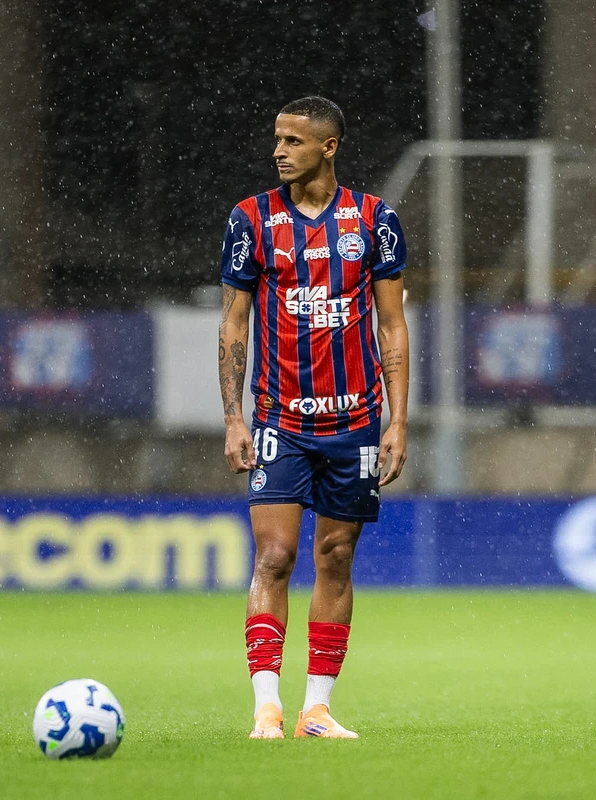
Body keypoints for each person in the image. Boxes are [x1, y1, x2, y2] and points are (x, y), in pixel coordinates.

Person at [217, 96, 410, 739]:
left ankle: (316, 709)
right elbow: (234, 323)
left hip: (355, 420)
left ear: (328, 147)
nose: (279, 150)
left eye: (293, 141)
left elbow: (392, 324)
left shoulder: (375, 220)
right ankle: (265, 707)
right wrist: (234, 418)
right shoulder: (250, 219)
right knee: (274, 555)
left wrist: (398, 421)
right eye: (277, 139)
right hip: (278, 419)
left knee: (335, 556)